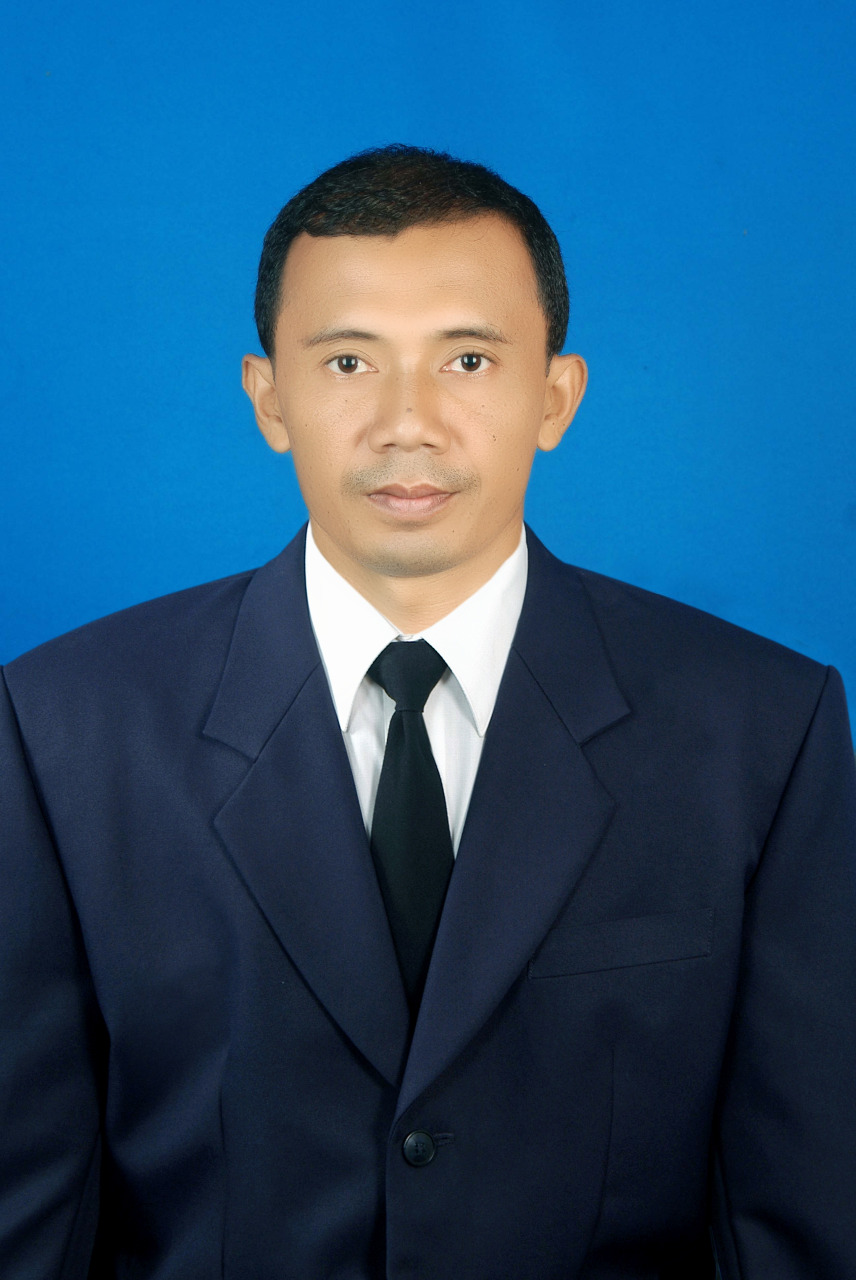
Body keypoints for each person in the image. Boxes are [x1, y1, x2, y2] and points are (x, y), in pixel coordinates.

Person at [1, 145, 854, 1280]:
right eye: (349, 360)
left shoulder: (763, 728)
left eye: (468, 358)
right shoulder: (63, 726)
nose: (409, 423)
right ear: (269, 397)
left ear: (555, 396)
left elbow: (799, 1213)